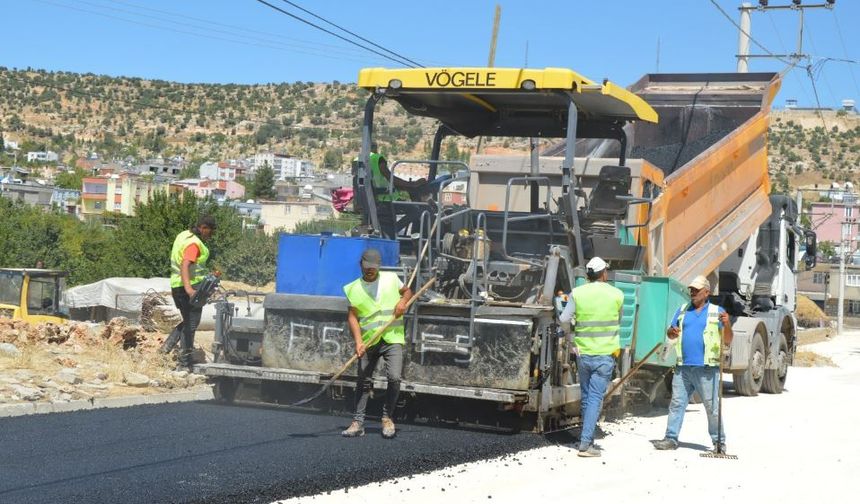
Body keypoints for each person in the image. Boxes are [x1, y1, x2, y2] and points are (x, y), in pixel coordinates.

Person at [653, 274, 733, 453]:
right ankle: (670, 438)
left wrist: (727, 325)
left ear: (706, 292)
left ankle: (719, 442)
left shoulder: (717, 311)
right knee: (676, 403)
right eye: (691, 290)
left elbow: (727, 339)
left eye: (696, 290)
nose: (693, 293)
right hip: (683, 367)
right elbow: (670, 332)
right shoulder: (682, 310)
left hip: (706, 369)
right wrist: (671, 332)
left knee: (712, 407)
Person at [341, 248, 412, 439]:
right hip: (368, 340)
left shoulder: (390, 278)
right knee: (363, 380)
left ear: (378, 266)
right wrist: (358, 342)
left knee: (395, 378)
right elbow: (353, 317)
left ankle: (387, 417)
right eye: (367, 268)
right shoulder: (353, 288)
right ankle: (357, 423)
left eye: (373, 268)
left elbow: (407, 291)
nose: (370, 271)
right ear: (361, 266)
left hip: (392, 337)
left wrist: (403, 302)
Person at [559, 256, 624, 458]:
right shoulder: (617, 294)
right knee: (595, 398)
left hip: (583, 354)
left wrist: (570, 338)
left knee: (587, 397)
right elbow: (618, 319)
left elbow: (563, 319)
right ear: (604, 273)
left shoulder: (577, 293)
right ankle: (586, 444)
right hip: (605, 355)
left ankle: (588, 438)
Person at [159, 215, 216, 370]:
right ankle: (184, 363)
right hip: (189, 288)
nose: (210, 236)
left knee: (188, 322)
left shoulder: (183, 235)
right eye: (210, 232)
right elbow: (185, 265)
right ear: (203, 228)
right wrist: (190, 289)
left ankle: (164, 350)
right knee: (191, 324)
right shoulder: (194, 244)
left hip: (177, 285)